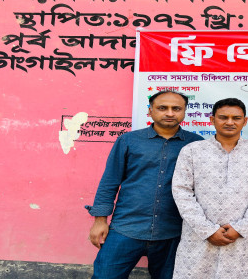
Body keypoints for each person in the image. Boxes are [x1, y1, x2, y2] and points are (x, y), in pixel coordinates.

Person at [86, 90, 203, 279]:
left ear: (184, 112)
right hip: (127, 227)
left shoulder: (196, 144)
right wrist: (100, 220)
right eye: (162, 108)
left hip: (173, 231)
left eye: (176, 108)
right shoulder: (129, 140)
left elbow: (203, 188)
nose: (170, 113)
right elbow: (110, 181)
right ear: (150, 111)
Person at [171, 98, 248, 278]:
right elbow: (182, 191)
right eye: (223, 117)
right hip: (198, 237)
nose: (229, 122)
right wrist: (207, 230)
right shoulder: (192, 150)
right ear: (212, 120)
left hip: (244, 238)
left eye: (236, 118)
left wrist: (241, 228)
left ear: (245, 121)